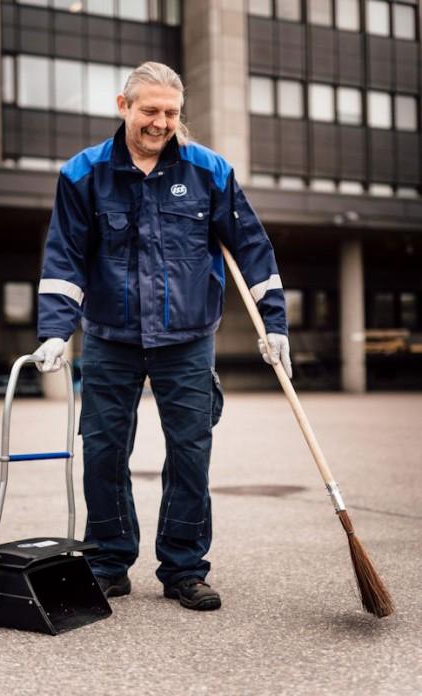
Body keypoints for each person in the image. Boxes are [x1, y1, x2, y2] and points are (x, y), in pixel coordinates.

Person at [33, 62, 292, 612]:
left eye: (171, 112)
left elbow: (252, 250)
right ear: (123, 105)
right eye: (150, 110)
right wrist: (55, 332)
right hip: (110, 337)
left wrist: (274, 324)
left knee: (191, 454)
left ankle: (183, 568)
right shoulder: (83, 174)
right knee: (103, 451)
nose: (161, 122)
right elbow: (65, 258)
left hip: (188, 338)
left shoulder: (209, 171)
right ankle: (107, 562)